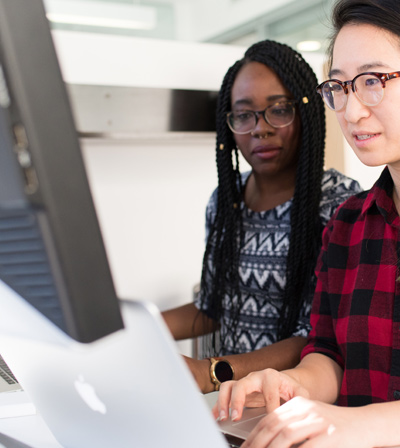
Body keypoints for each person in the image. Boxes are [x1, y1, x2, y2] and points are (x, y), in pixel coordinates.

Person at [214, 0, 400, 446]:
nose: (351, 112)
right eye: (339, 87)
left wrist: (362, 423)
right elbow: (330, 354)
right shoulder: (349, 223)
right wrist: (293, 384)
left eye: (373, 81)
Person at [162, 39, 361, 394]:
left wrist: (211, 372)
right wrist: (131, 328)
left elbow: (318, 336)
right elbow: (212, 306)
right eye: (244, 114)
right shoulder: (226, 201)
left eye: (279, 110)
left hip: (298, 403)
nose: (260, 128)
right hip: (231, 405)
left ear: (305, 113)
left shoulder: (338, 205)